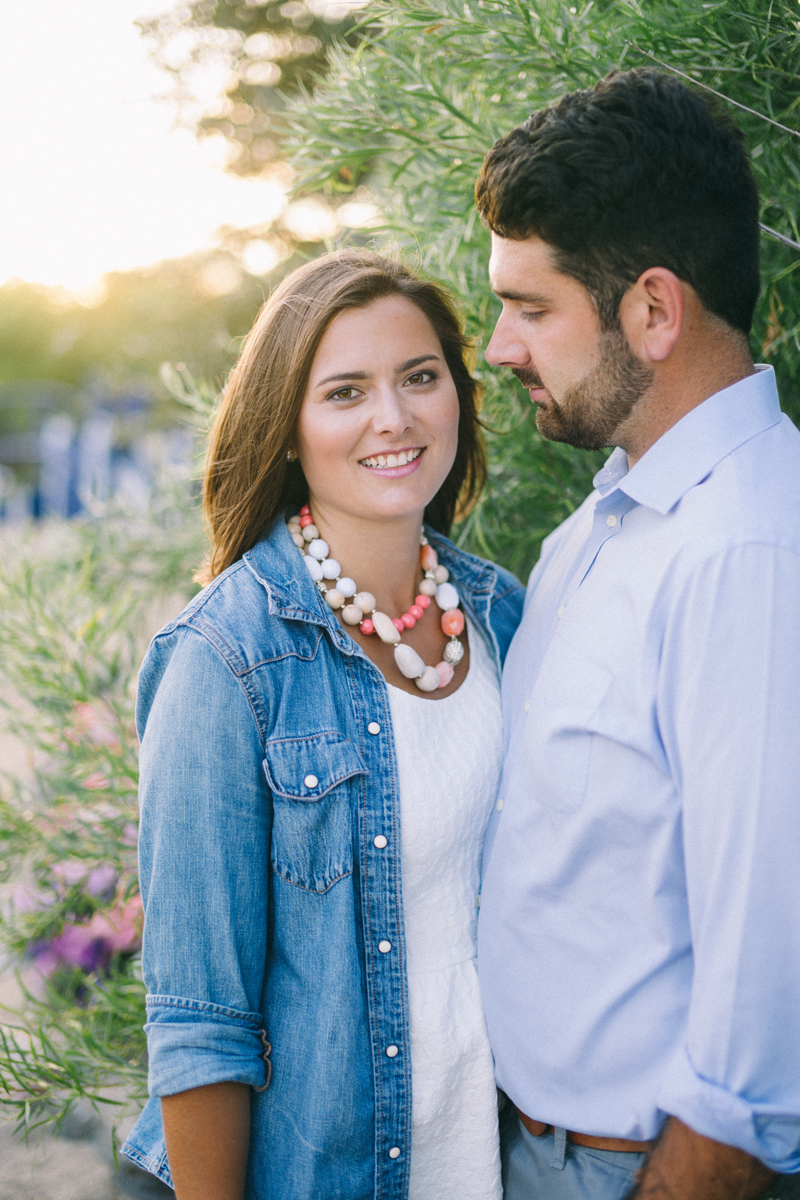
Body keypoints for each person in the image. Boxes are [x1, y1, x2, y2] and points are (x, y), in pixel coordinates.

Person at [121, 248, 524, 1200]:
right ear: (290, 429)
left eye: (420, 377)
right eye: (345, 391)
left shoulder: (504, 615)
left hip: (490, 1165)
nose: (395, 417)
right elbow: (200, 1023)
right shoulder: (226, 660)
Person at [475, 68, 800, 1200]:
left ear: (652, 311)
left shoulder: (748, 556)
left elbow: (768, 1003)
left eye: (528, 307)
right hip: (527, 1150)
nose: (495, 349)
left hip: (626, 1173)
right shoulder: (602, 526)